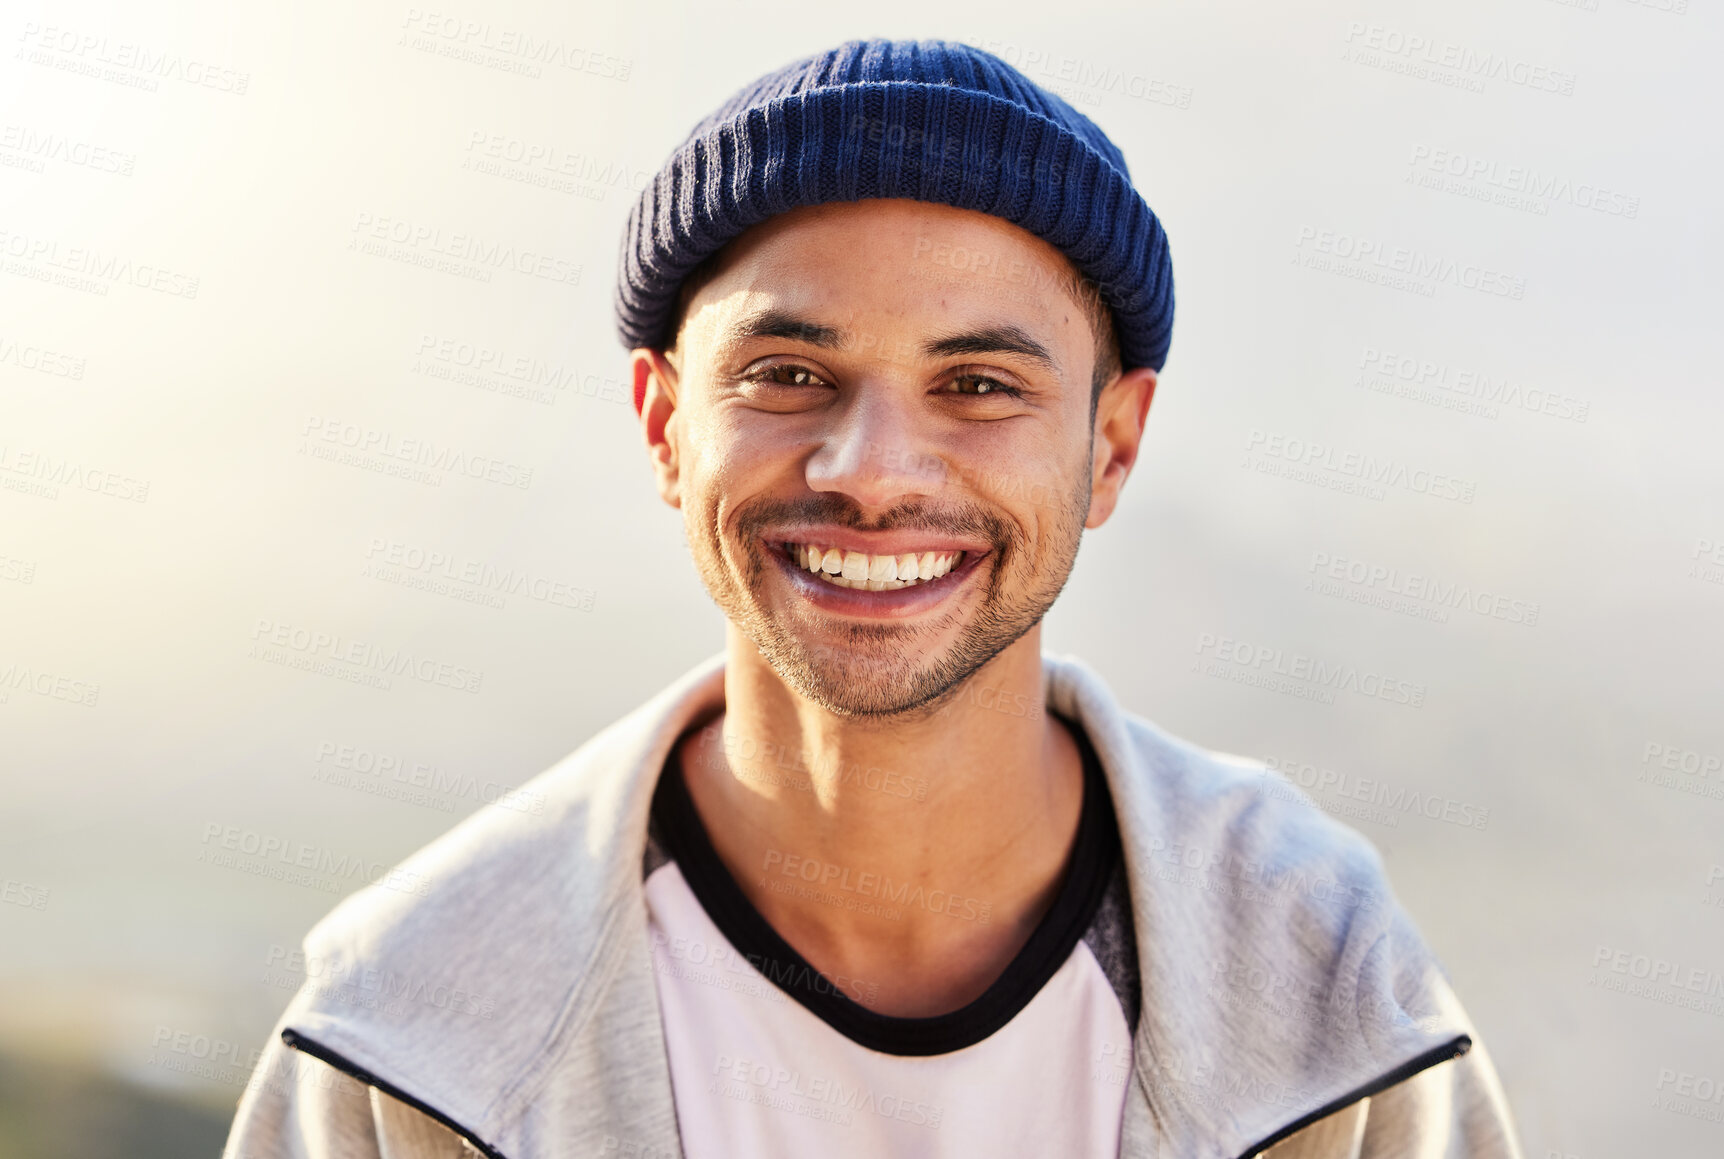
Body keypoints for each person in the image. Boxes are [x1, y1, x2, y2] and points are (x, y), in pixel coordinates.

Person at [224, 38, 1523, 1159]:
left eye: (978, 386)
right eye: (789, 373)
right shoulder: (416, 1021)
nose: (872, 473)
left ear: (1111, 447)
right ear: (667, 427)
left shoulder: (1321, 976)